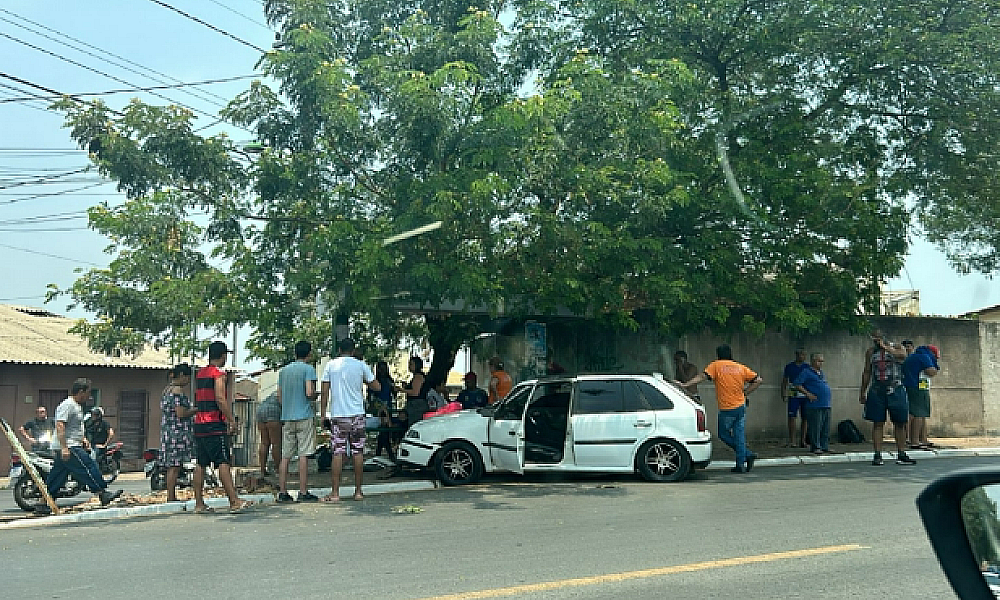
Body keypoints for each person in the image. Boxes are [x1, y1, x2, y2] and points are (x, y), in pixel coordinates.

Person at [35, 378, 122, 514]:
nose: (89, 396)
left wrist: (83, 439)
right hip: (69, 446)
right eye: (87, 393)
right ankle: (102, 493)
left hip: (71, 444)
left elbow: (73, 427)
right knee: (88, 466)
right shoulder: (68, 405)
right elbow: (60, 425)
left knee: (58, 476)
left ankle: (43, 503)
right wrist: (64, 447)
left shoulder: (76, 406)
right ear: (81, 392)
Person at [677, 344, 762, 473]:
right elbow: (758, 380)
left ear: (718, 355)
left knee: (723, 434)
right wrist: (745, 393)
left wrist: (685, 385)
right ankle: (741, 463)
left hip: (727, 407)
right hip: (741, 405)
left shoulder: (716, 365)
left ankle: (747, 454)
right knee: (739, 435)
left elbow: (701, 377)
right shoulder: (740, 367)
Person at [193, 341, 252, 513]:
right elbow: (220, 398)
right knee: (223, 462)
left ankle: (199, 503)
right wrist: (230, 419)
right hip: (213, 424)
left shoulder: (201, 373)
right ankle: (234, 501)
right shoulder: (218, 374)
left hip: (199, 423)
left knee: (201, 464)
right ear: (223, 356)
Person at [320, 338, 380, 502]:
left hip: (338, 415)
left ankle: (335, 493)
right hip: (357, 414)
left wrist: (323, 413)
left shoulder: (331, 365)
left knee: (338, 452)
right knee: (358, 451)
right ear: (353, 351)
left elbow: (324, 391)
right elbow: (377, 386)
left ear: (339, 349)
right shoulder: (361, 365)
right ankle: (358, 491)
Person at [859, 330, 916, 466]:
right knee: (877, 423)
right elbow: (867, 371)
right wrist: (862, 391)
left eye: (878, 338)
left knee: (900, 422)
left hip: (895, 389)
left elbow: (902, 356)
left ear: (884, 337)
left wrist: (886, 348)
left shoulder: (897, 347)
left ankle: (901, 453)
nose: (876, 340)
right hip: (878, 390)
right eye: (874, 338)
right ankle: (877, 454)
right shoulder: (871, 352)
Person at [276, 340, 320, 503]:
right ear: (309, 354)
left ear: (295, 353)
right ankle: (302, 491)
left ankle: (282, 491)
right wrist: (315, 395)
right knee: (303, 454)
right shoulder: (308, 369)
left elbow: (279, 397)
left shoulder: (284, 371)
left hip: (287, 416)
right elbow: (309, 392)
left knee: (285, 455)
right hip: (304, 415)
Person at [160, 363, 197, 503]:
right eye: (187, 377)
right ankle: (171, 496)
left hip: (168, 432)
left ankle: (171, 495)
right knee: (174, 467)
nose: (188, 381)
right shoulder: (177, 391)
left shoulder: (166, 390)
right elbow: (181, 413)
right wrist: (195, 410)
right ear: (181, 375)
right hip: (177, 433)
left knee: (172, 466)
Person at [903, 344, 941, 450]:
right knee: (919, 414)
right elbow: (931, 371)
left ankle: (922, 439)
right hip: (919, 387)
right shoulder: (924, 357)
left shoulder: (913, 356)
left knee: (916, 413)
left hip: (910, 386)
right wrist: (935, 367)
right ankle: (915, 441)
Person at [794, 353, 832, 454]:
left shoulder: (821, 373)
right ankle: (816, 446)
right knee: (816, 426)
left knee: (825, 426)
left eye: (822, 361)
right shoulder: (806, 372)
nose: (821, 363)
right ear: (813, 361)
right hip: (815, 404)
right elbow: (797, 384)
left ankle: (824, 445)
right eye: (819, 361)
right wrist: (808, 394)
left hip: (825, 403)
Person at [780, 348, 809, 448]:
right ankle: (792, 440)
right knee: (792, 417)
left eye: (804, 354)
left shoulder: (807, 367)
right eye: (800, 354)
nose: (802, 356)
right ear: (796, 355)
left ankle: (803, 440)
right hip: (793, 393)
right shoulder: (789, 367)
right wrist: (783, 392)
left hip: (805, 394)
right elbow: (785, 380)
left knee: (805, 417)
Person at [256, 393, 282, 478]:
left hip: (260, 410)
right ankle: (279, 470)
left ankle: (262, 470)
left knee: (264, 442)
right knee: (276, 443)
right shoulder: (288, 394)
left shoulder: (273, 394)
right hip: (274, 411)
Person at [399, 356, 429, 426]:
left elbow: (415, 392)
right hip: (415, 405)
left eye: (411, 364)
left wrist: (401, 390)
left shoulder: (418, 377)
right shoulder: (417, 376)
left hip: (417, 406)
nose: (409, 366)